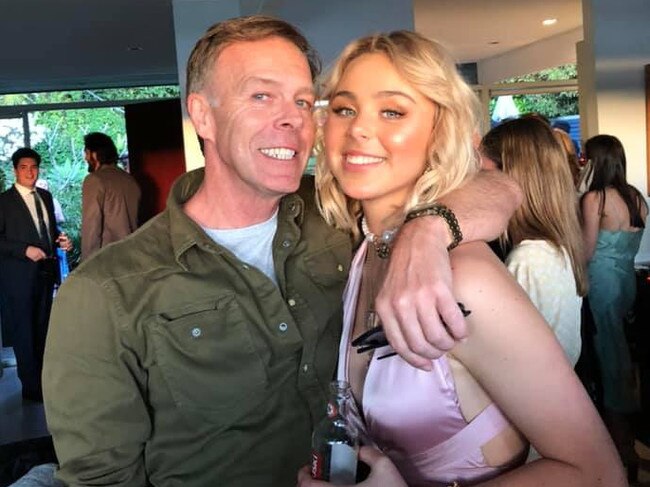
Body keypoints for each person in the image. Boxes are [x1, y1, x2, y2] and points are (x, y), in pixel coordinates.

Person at [44, 16, 520, 486]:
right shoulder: (105, 291)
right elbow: (99, 479)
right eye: (261, 96)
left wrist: (429, 231)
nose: (293, 118)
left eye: (303, 100)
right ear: (203, 115)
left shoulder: (338, 207)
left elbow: (497, 187)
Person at [298, 31, 624, 486]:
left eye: (392, 110)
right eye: (344, 108)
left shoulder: (468, 279)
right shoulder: (365, 250)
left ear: (441, 132)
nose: (358, 129)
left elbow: (599, 474)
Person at [480, 117, 587, 366]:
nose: (477, 187)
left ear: (514, 180)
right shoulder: (552, 248)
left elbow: (507, 360)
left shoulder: (529, 259)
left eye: (485, 175)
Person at [581, 134, 648, 479]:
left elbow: (588, 251)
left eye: (585, 157)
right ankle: (628, 429)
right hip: (626, 281)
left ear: (597, 161)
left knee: (606, 352)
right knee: (619, 347)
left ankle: (618, 436)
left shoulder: (596, 199)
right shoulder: (637, 198)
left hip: (602, 281)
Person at [0, 148, 72, 401]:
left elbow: (48, 231)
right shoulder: (4, 202)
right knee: (24, 331)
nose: (30, 172)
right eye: (24, 167)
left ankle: (45, 382)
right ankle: (31, 388)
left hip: (45, 272)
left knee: (44, 330)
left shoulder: (45, 196)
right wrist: (23, 250)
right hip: (18, 278)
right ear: (15, 170)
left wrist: (61, 241)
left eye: (34, 167)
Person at [81, 132, 141, 260]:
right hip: (133, 255)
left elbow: (91, 227)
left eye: (86, 152)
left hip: (107, 259)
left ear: (95, 154)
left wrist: (87, 265)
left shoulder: (94, 180)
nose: (85, 158)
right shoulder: (130, 180)